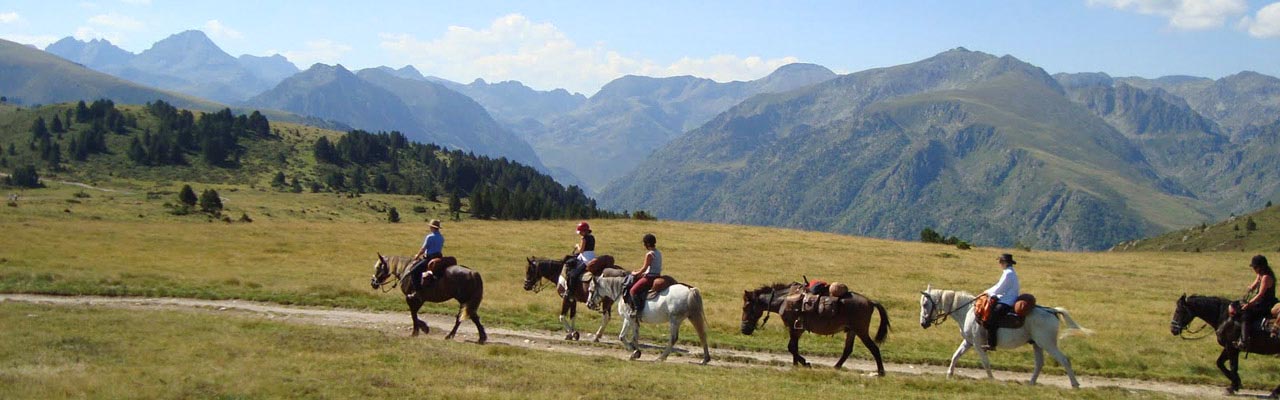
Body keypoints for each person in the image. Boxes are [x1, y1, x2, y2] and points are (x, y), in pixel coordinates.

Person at [982, 253, 1020, 351]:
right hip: (1006, 298)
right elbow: (999, 286)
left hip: (1007, 301)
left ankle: (992, 344)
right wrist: (987, 292)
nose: (999, 264)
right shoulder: (1009, 272)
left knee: (991, 318)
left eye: (1000, 262)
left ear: (1004, 262)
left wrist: (987, 293)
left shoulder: (1008, 273)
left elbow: (1000, 288)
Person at [1238, 255, 1276, 348]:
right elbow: (1254, 285)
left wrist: (1249, 304)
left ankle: (1244, 340)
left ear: (1261, 267)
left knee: (1246, 314)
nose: (1254, 269)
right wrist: (1250, 289)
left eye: (1255, 267)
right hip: (1261, 301)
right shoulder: (1260, 275)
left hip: (1266, 304)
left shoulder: (1266, 277)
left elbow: (1260, 295)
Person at [627, 233, 662, 317]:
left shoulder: (649, 254)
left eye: (645, 243)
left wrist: (635, 273)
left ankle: (637, 310)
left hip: (650, 277)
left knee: (632, 290)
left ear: (648, 244)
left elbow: (644, 268)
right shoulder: (658, 252)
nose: (644, 245)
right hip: (657, 275)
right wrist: (639, 270)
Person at [407, 219, 444, 296]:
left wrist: (417, 256)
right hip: (439, 257)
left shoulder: (429, 237)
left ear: (432, 227)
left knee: (413, 271)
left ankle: (417, 291)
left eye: (430, 227)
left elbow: (423, 249)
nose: (430, 228)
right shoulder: (441, 237)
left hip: (429, 258)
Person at [565, 221, 595, 297]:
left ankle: (571, 292)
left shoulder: (584, 239)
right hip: (592, 256)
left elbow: (581, 250)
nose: (580, 233)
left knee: (573, 274)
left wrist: (577, 245)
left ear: (584, 231)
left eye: (580, 231)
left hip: (585, 259)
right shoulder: (592, 237)